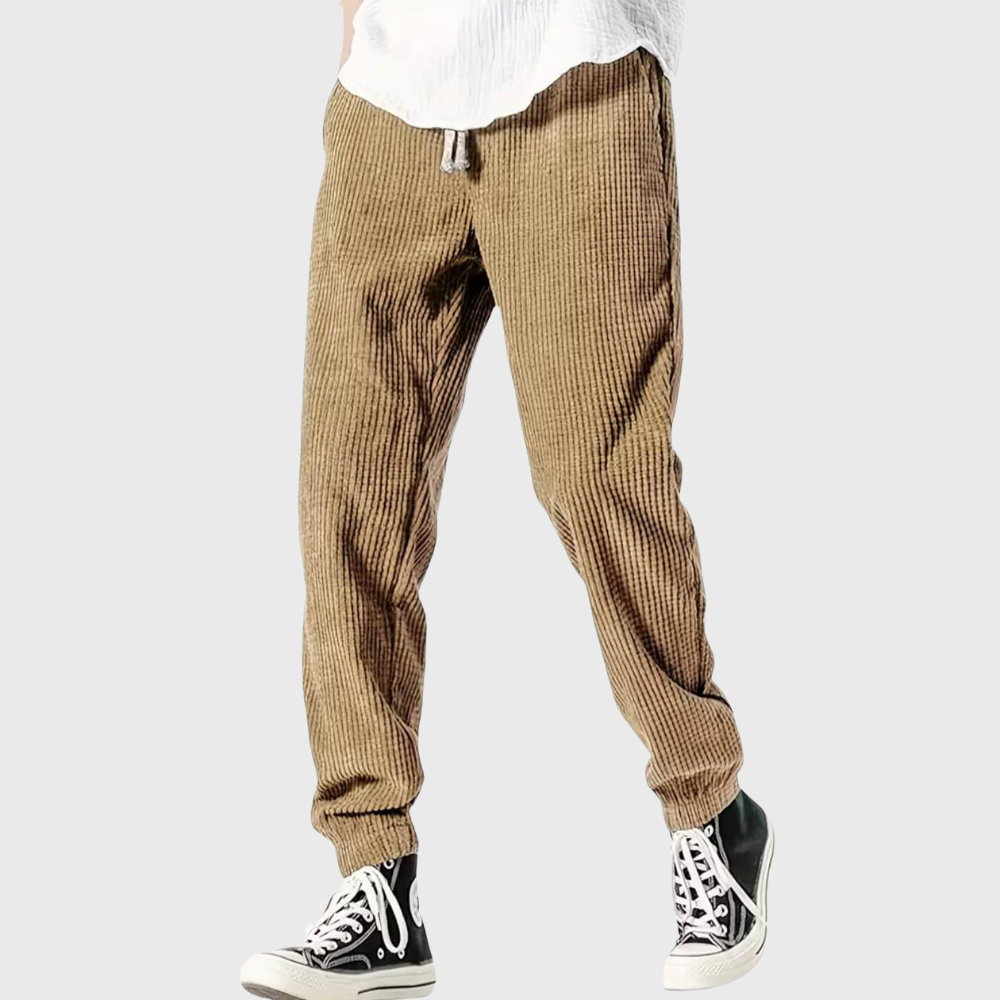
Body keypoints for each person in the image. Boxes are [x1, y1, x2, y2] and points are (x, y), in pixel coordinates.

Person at [241, 2, 774, 996]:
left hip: (578, 78)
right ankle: (375, 877)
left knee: (597, 475)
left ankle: (712, 810)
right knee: (347, 499)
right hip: (389, 103)